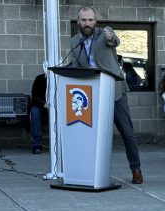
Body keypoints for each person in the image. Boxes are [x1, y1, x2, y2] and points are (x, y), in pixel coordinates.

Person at [68, 6, 142, 184]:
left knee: (127, 132)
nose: (87, 23)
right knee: (89, 134)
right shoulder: (73, 42)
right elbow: (77, 65)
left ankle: (136, 169)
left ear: (96, 21)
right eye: (84, 20)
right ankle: (89, 170)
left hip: (114, 91)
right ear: (78, 22)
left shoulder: (104, 34)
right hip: (91, 95)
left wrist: (111, 36)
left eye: (90, 20)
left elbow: (114, 40)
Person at [29, 73, 47, 154]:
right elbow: (35, 96)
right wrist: (44, 103)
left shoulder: (59, 78)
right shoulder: (40, 78)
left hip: (56, 107)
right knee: (34, 111)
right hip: (41, 106)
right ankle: (37, 143)